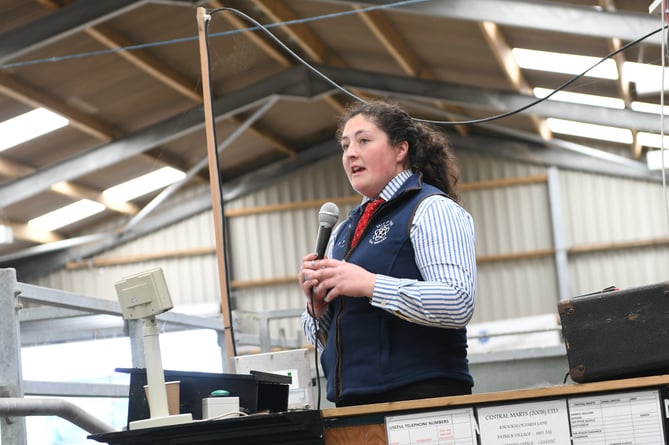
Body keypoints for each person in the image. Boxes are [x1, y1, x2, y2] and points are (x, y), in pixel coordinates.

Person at [299, 99, 477, 407]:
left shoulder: (431, 209)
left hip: (421, 402)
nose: (350, 153)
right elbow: (329, 339)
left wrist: (369, 284)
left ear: (400, 149)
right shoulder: (344, 230)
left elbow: (458, 301)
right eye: (344, 146)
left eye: (364, 141)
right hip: (354, 405)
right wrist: (318, 309)